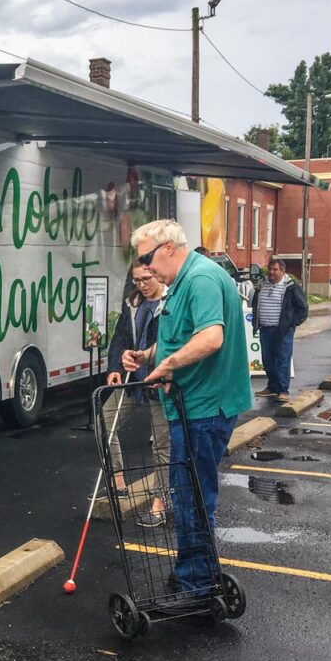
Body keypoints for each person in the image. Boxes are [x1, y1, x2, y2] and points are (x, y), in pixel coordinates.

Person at [123, 219, 250, 597]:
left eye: (146, 257)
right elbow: (181, 338)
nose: (144, 267)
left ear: (167, 248)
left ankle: (197, 586)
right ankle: (194, 572)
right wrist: (146, 356)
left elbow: (211, 337)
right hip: (190, 406)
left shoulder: (201, 279)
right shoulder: (181, 284)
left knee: (193, 497)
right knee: (189, 494)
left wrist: (168, 366)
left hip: (204, 408)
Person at [103, 260, 170, 527]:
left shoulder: (171, 303)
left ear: (157, 275)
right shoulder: (132, 304)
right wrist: (115, 367)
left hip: (160, 381)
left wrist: (164, 369)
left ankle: (159, 503)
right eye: (136, 280)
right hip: (133, 380)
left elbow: (173, 343)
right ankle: (118, 480)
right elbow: (120, 337)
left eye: (145, 279)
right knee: (104, 421)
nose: (141, 285)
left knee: (163, 446)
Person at [251, 258, 308, 403]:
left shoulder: (290, 287)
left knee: (282, 360)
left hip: (283, 330)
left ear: (283, 271)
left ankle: (283, 390)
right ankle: (272, 386)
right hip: (265, 329)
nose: (271, 272)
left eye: (275, 270)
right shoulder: (261, 285)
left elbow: (303, 308)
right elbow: (255, 304)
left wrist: (292, 324)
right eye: (270, 269)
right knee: (267, 360)